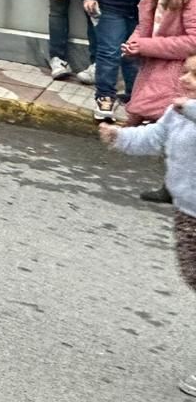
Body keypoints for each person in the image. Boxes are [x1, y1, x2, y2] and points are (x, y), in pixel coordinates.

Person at [99, 55, 196, 396]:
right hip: (187, 213)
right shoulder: (178, 112)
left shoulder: (188, 112)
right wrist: (119, 138)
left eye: (195, 75)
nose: (185, 78)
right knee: (192, 277)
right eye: (185, 71)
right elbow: (154, 138)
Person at [125, 0, 196, 206]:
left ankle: (177, 188)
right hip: (157, 69)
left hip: (181, 73)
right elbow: (144, 28)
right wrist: (134, 43)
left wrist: (145, 46)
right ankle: (174, 187)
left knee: (178, 129)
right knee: (174, 130)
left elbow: (193, 41)